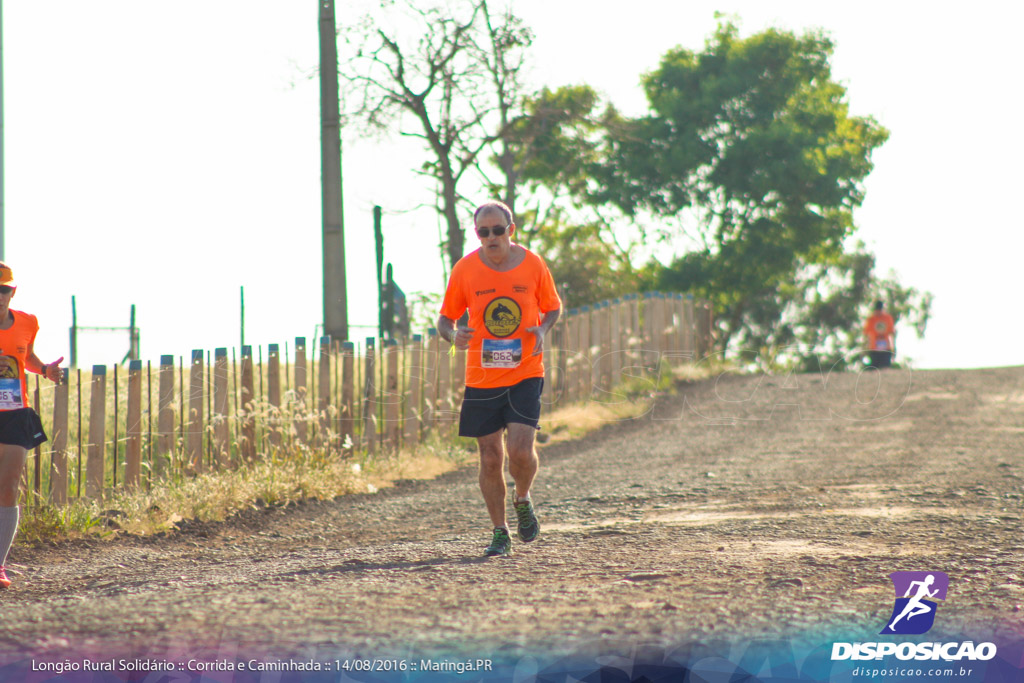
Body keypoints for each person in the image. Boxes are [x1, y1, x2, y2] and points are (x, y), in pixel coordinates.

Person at [437, 201, 561, 557]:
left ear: (511, 229)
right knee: (490, 458)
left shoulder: (533, 264)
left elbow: (553, 306)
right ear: (477, 234)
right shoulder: (465, 269)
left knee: (520, 452)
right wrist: (452, 335)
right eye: (483, 232)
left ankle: (523, 498)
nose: (491, 237)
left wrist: (543, 328)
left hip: (525, 371)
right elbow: (446, 318)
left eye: (497, 230)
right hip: (481, 377)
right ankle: (499, 532)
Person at [0, 262, 63, 589]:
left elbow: (28, 359)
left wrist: (46, 370)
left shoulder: (27, 323)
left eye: (3, 289)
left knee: (9, 487)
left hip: (13, 413)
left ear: (13, 292)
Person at [864, 300, 896, 369]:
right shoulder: (871, 319)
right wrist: (864, 349)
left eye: (879, 310)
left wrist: (893, 348)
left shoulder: (887, 318)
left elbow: (892, 334)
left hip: (886, 349)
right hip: (874, 349)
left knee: (885, 370)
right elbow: (866, 335)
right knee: (874, 370)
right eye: (877, 310)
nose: (878, 311)